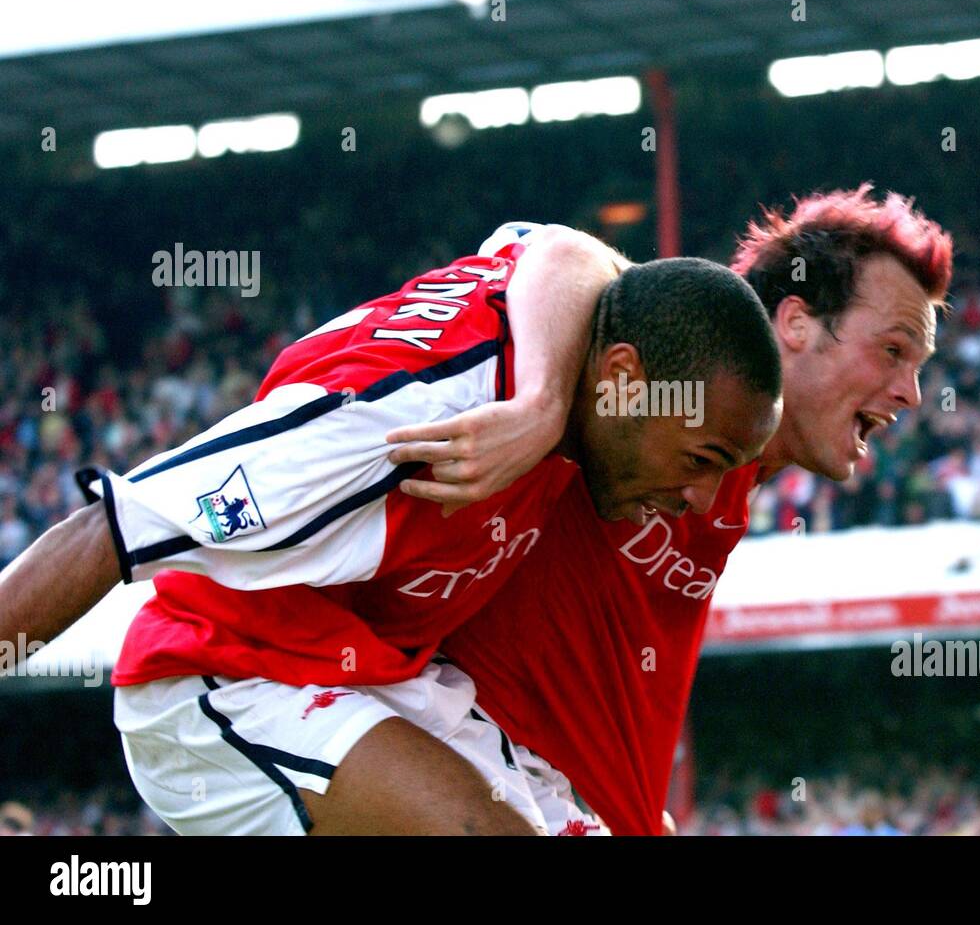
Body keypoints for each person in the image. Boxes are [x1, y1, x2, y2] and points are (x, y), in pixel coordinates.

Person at [0, 226, 783, 835]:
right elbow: (110, 528)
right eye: (702, 456)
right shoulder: (402, 423)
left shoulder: (569, 347)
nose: (701, 496)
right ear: (623, 379)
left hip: (379, 676)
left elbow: (557, 244)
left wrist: (542, 402)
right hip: (221, 676)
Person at [392, 186, 952, 834]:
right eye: (892, 351)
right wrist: (543, 403)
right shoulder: (659, 392)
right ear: (796, 324)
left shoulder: (729, 481)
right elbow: (554, 247)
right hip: (459, 767)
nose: (911, 393)